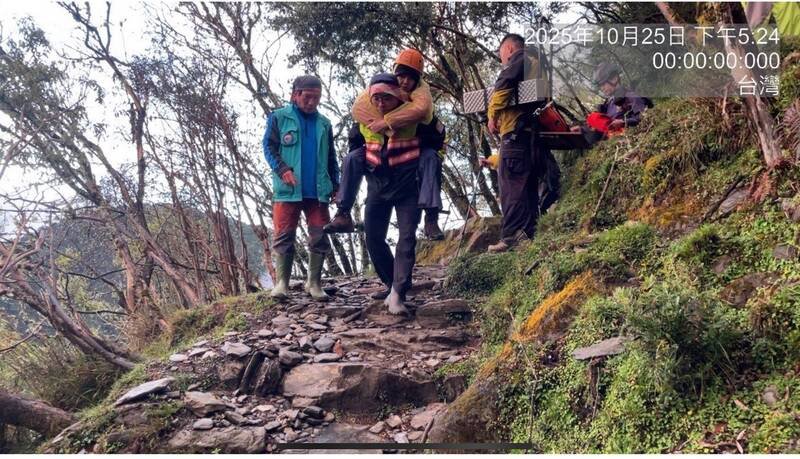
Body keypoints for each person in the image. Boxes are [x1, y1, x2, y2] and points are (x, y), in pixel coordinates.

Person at [324, 49, 446, 241]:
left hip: (410, 166)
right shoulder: (374, 95)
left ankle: (431, 218)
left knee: (431, 158)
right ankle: (343, 212)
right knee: (351, 158)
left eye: (410, 78)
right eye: (401, 76)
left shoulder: (422, 100)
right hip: (379, 167)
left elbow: (426, 116)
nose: (405, 82)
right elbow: (357, 114)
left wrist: (387, 122)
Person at [262, 75, 339, 302]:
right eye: (307, 97)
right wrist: (282, 168)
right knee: (284, 234)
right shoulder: (279, 118)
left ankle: (313, 283)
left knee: (319, 235)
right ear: (295, 95)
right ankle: (281, 284)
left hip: (318, 190)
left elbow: (331, 157)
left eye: (317, 98)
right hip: (288, 188)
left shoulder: (324, 123)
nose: (312, 102)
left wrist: (336, 184)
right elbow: (268, 146)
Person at [358, 73, 424, 315]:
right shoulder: (365, 119)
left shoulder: (416, 115)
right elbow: (355, 149)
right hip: (377, 186)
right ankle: (390, 284)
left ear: (397, 96)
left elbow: (433, 146)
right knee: (373, 237)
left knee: (406, 238)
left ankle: (399, 292)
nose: (381, 103)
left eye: (386, 97)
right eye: (376, 98)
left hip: (408, 187)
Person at [484, 33, 545, 253]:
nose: (502, 59)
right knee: (526, 186)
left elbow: (504, 83)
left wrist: (492, 114)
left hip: (515, 132)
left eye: (501, 54)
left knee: (510, 186)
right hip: (529, 135)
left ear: (509, 48)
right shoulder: (535, 65)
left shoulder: (520, 59)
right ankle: (529, 235)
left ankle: (511, 237)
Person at [571, 62, 649, 138]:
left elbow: (643, 117)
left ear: (614, 79)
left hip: (625, 136)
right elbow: (602, 125)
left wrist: (623, 122)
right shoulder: (609, 103)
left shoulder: (631, 97)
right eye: (600, 85)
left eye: (603, 84)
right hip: (610, 138)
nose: (602, 88)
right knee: (593, 117)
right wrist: (583, 130)